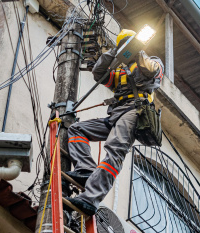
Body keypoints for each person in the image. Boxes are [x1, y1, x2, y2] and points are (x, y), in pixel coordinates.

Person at [65, 29, 164, 215]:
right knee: (77, 130)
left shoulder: (152, 62)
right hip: (116, 114)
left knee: (114, 150)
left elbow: (150, 71)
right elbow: (98, 72)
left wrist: (137, 48)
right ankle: (85, 169)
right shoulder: (119, 69)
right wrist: (117, 50)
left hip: (135, 111)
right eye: (125, 42)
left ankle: (90, 199)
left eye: (129, 42)